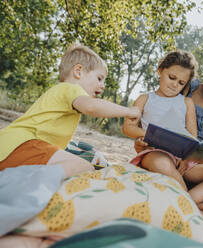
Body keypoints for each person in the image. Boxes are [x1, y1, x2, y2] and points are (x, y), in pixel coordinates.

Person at [130, 47, 203, 212]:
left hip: (194, 168)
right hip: (162, 156)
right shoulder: (185, 85)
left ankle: (188, 197)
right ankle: (187, 200)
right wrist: (140, 142)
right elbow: (154, 114)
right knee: (161, 164)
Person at [0, 44, 141, 178]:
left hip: (11, 147)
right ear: (78, 71)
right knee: (83, 169)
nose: (102, 86)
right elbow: (92, 107)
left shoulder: (62, 93)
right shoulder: (71, 88)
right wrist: (129, 111)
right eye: (99, 78)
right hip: (22, 145)